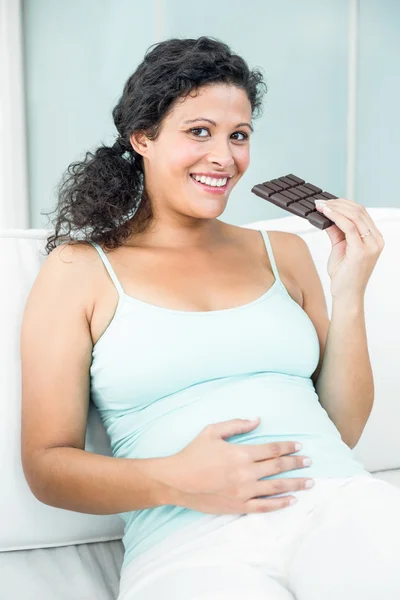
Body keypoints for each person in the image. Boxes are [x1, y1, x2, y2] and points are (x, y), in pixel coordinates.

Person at [20, 36, 399, 600]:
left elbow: (339, 430)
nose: (224, 157)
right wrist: (176, 479)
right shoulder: (79, 270)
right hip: (189, 541)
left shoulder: (285, 253)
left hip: (337, 502)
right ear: (143, 137)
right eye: (199, 131)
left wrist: (350, 292)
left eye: (238, 135)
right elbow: (48, 466)